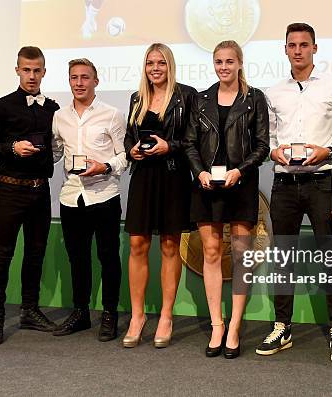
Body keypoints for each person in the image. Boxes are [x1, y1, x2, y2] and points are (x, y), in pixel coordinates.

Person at [256, 23, 332, 363]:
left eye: (304, 44)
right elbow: (266, 136)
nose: (298, 50)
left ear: (315, 48)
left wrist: (327, 149)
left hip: (322, 183)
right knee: (283, 259)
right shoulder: (273, 92)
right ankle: (283, 326)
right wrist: (272, 151)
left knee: (329, 258)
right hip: (285, 184)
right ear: (285, 50)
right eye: (292, 45)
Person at [184, 40, 269, 359]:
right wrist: (199, 172)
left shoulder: (254, 98)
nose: (223, 67)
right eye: (219, 61)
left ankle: (234, 326)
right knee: (209, 251)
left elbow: (262, 146)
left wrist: (240, 170)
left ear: (240, 63)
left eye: (229, 61)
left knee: (240, 255)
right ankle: (216, 325)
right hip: (206, 186)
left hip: (240, 185)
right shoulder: (201, 99)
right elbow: (190, 143)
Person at [0, 46, 60, 346]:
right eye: (26, 70)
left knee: (35, 254)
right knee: (1, 255)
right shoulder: (1, 107)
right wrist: (12, 148)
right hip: (10, 190)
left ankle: (30, 310)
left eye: (37, 70)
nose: (32, 75)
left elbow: (56, 148)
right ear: (17, 70)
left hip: (40, 191)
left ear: (44, 71)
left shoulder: (52, 108)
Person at [122, 43, 197, 348]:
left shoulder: (186, 95)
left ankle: (166, 316)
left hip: (173, 177)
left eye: (161, 63)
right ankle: (137, 316)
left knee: (169, 246)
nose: (155, 68)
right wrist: (131, 149)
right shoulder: (137, 98)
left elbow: (193, 139)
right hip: (143, 179)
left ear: (170, 66)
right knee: (138, 244)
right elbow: (129, 135)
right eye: (151, 63)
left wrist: (171, 146)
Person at [51, 58, 128, 341]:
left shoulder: (112, 114)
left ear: (96, 81)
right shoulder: (59, 117)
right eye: (74, 78)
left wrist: (105, 167)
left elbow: (124, 156)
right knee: (77, 258)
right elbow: (56, 152)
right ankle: (80, 312)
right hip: (72, 196)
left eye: (85, 77)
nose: (79, 83)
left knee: (108, 257)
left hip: (104, 194)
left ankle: (109, 314)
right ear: (69, 81)